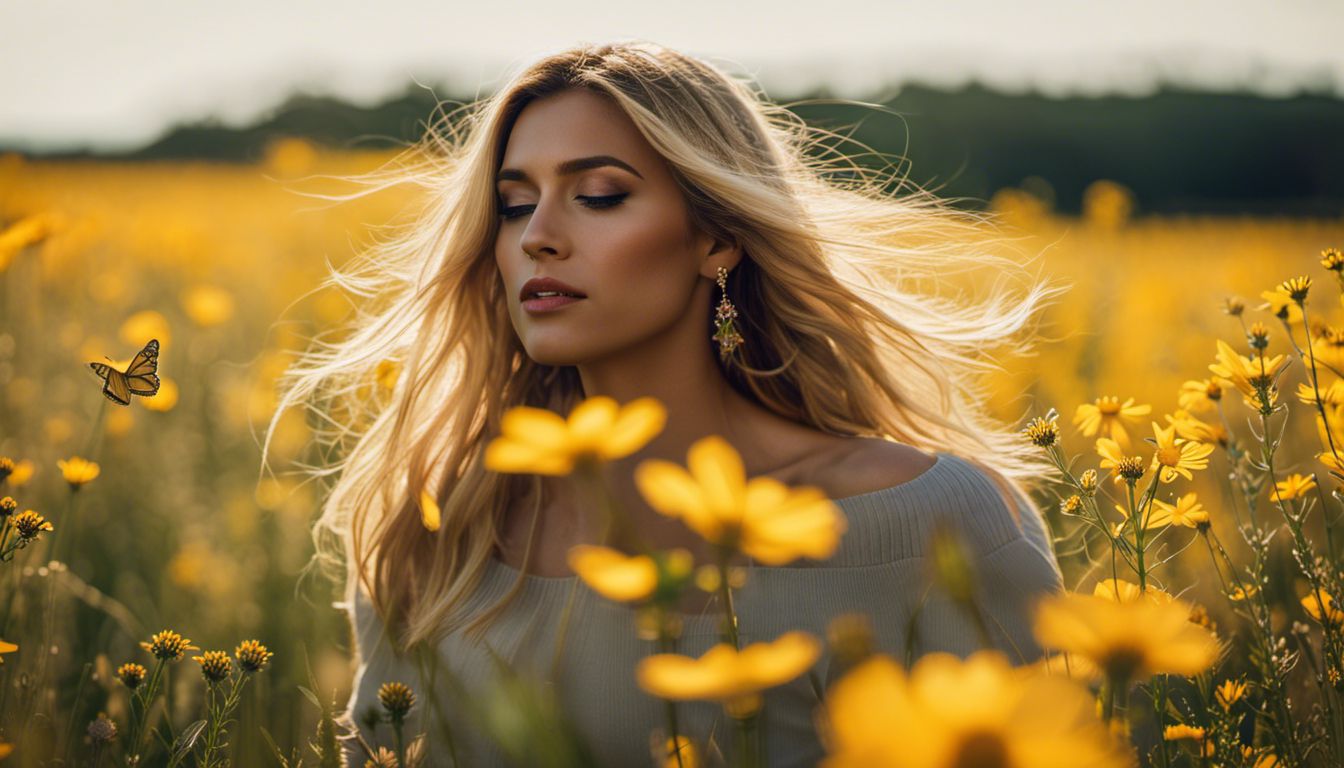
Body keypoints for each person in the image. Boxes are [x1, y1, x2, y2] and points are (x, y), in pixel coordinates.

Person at [266, 40, 1067, 767]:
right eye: (514, 204)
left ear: (716, 239)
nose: (538, 235)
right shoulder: (441, 528)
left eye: (600, 196)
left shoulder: (935, 523)